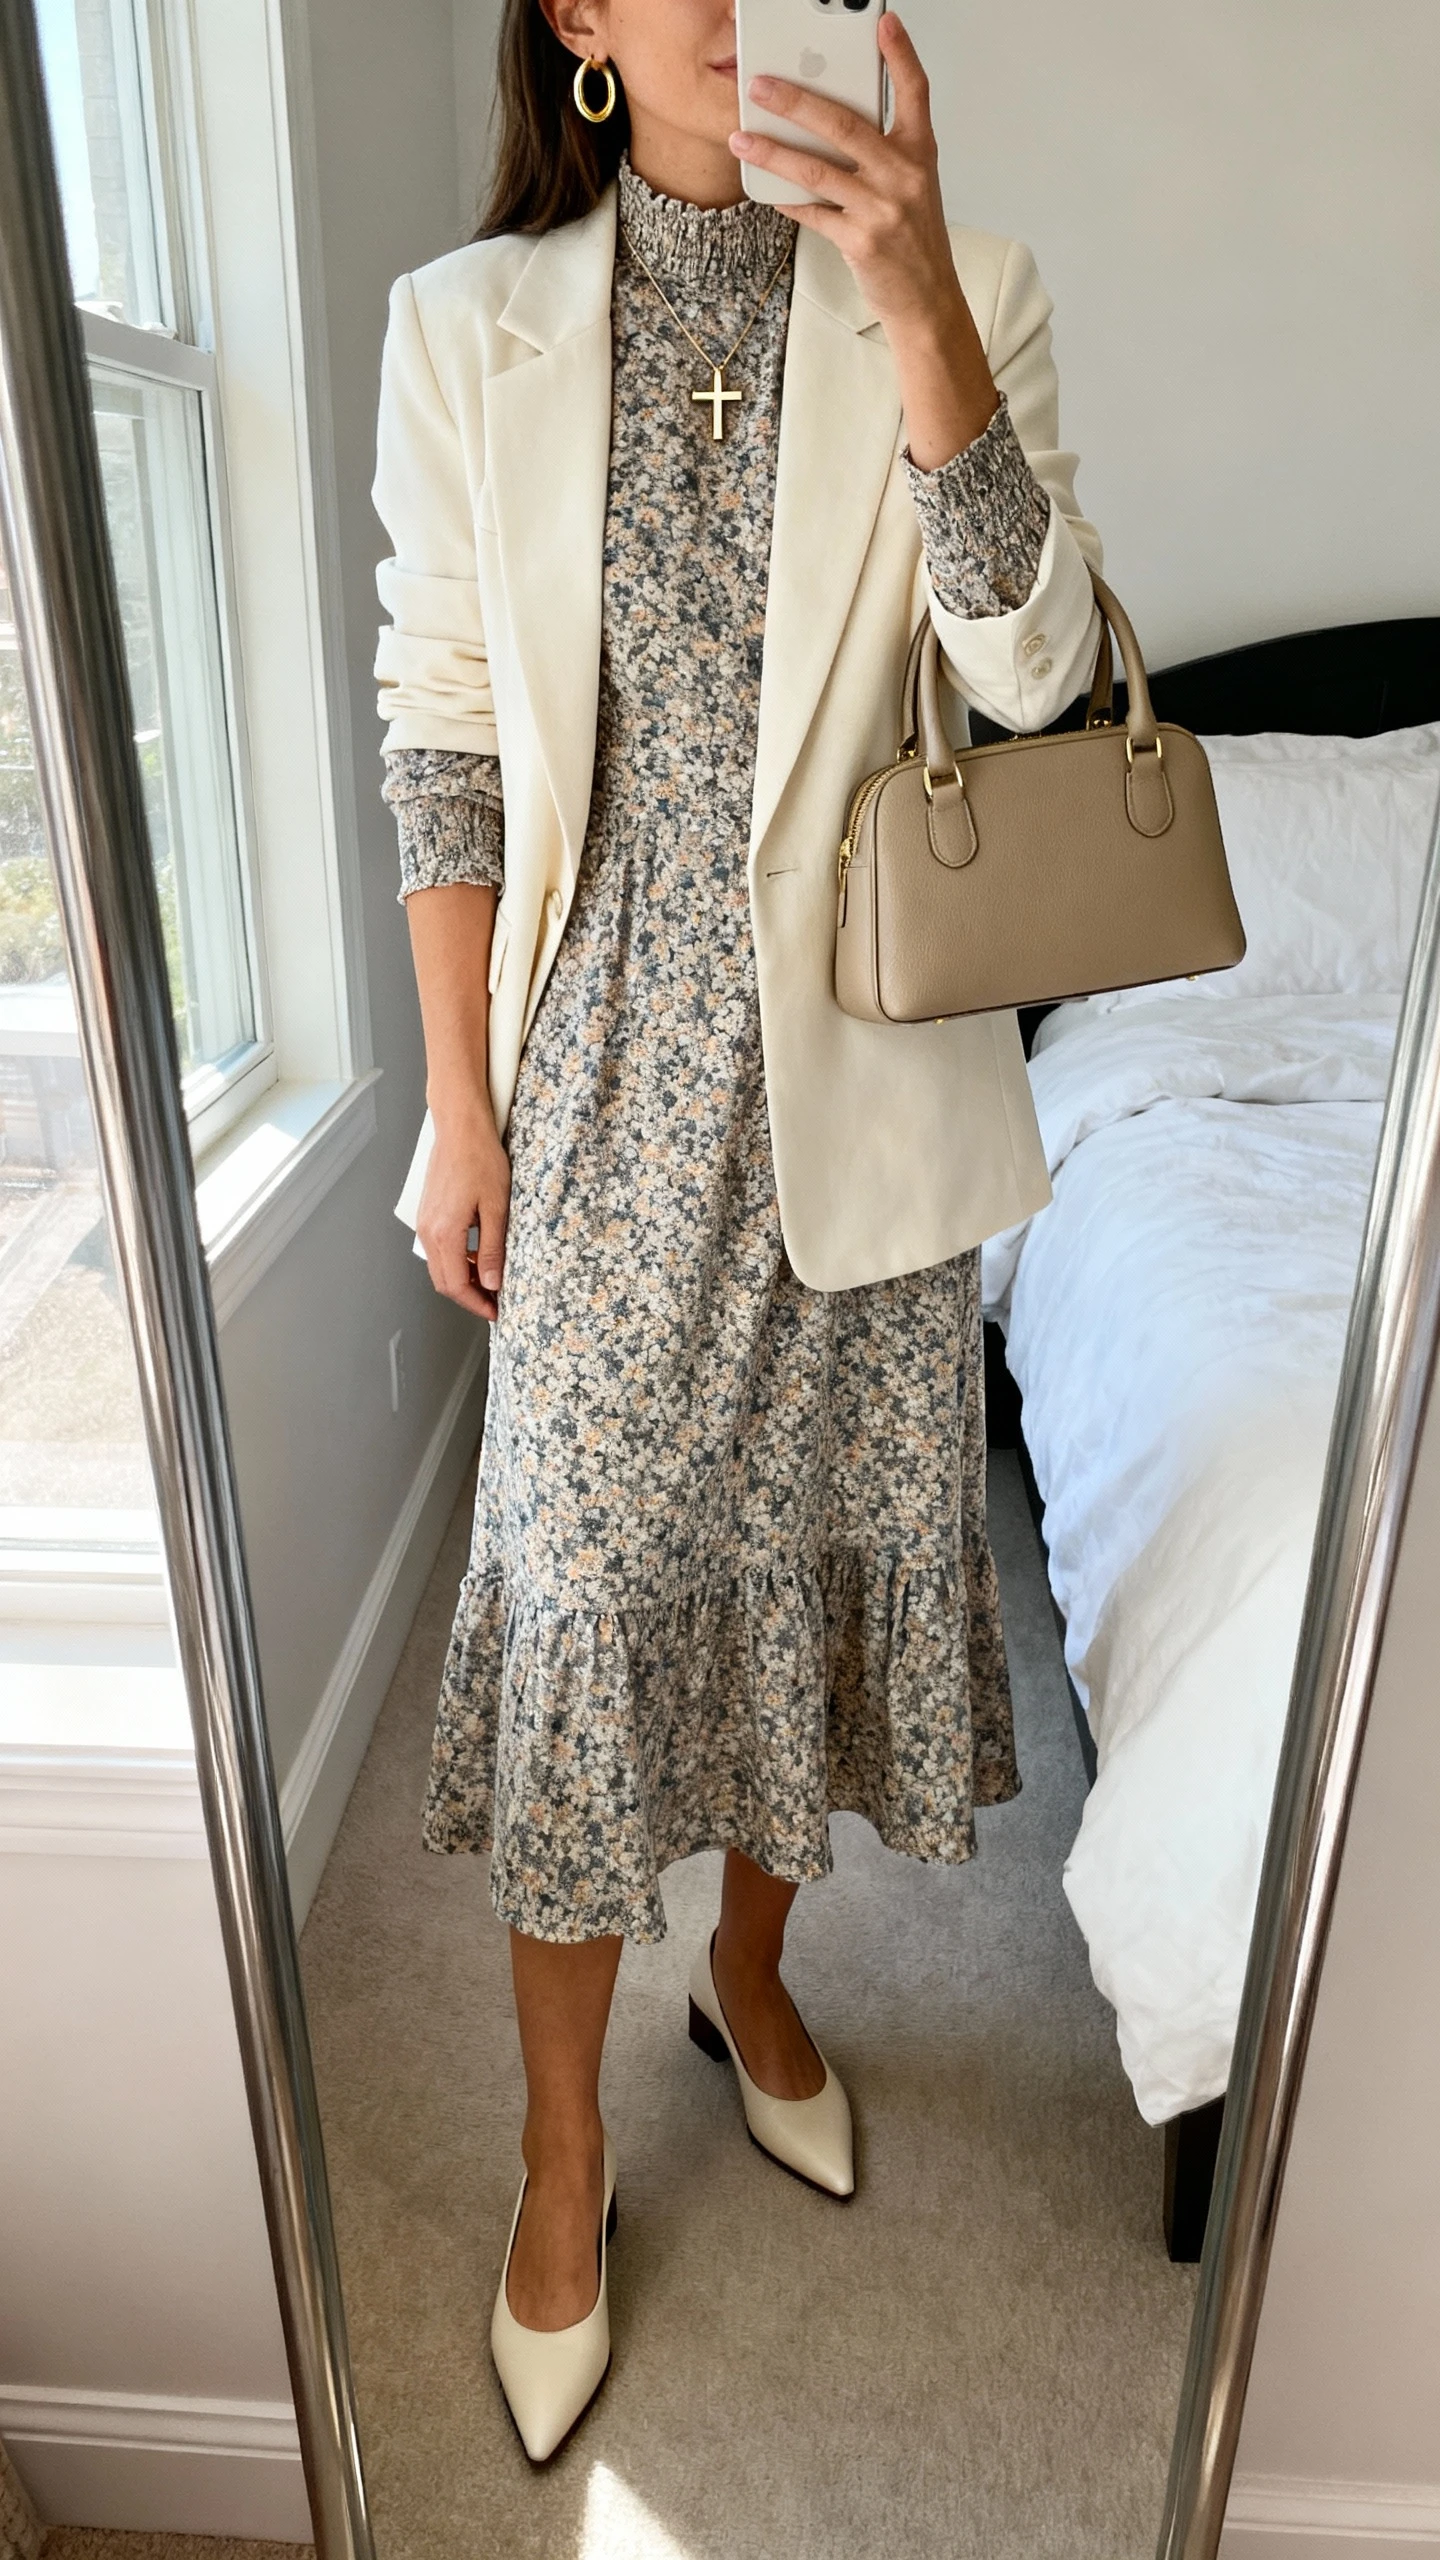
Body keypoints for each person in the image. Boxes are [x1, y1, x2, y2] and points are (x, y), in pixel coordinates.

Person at [373, 0, 1101, 2462]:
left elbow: (1040, 682)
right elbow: (447, 727)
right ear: (576, 15)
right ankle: (568, 2155)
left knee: (821, 1593)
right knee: (581, 1616)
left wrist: (911, 310)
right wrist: (459, 1106)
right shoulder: (462, 330)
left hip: (859, 1107)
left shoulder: (962, 283)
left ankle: (755, 1986)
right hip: (588, 1104)